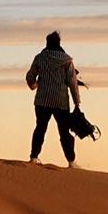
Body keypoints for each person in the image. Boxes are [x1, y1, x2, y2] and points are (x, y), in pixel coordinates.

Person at [25, 31, 83, 166]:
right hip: (61, 102)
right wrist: (77, 103)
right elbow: (73, 83)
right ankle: (71, 161)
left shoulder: (40, 58)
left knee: (40, 128)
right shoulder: (67, 60)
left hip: (42, 100)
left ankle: (34, 157)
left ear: (47, 43)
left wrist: (35, 85)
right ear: (59, 43)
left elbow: (29, 77)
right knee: (64, 133)